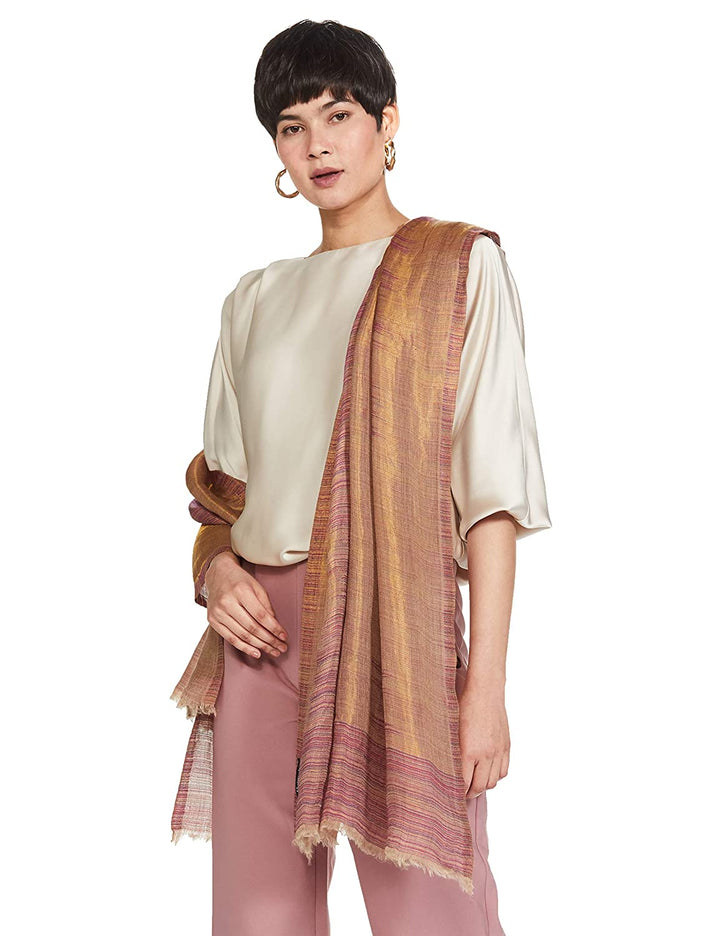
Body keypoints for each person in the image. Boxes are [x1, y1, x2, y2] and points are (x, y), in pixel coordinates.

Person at [173, 18, 552, 936]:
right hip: (259, 639)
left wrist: (486, 690)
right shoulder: (254, 298)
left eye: (337, 114)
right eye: (292, 126)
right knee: (257, 917)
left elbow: (491, 499)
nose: (317, 145)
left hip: (395, 625)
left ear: (387, 121)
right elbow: (222, 496)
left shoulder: (456, 265)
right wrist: (214, 572)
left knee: (432, 912)